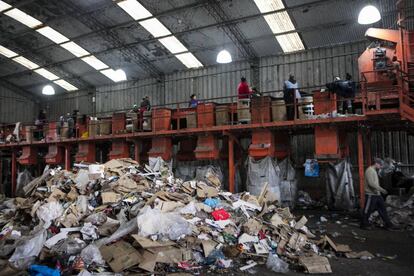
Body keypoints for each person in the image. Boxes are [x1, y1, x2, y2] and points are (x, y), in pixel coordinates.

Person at [361, 158, 397, 230]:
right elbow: (371, 184)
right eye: (380, 165)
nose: (381, 166)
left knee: (383, 209)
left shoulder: (374, 171)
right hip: (371, 195)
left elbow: (375, 183)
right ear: (376, 163)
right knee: (367, 210)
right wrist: (382, 190)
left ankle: (388, 224)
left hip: (377, 195)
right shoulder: (370, 170)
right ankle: (364, 224)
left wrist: (380, 191)